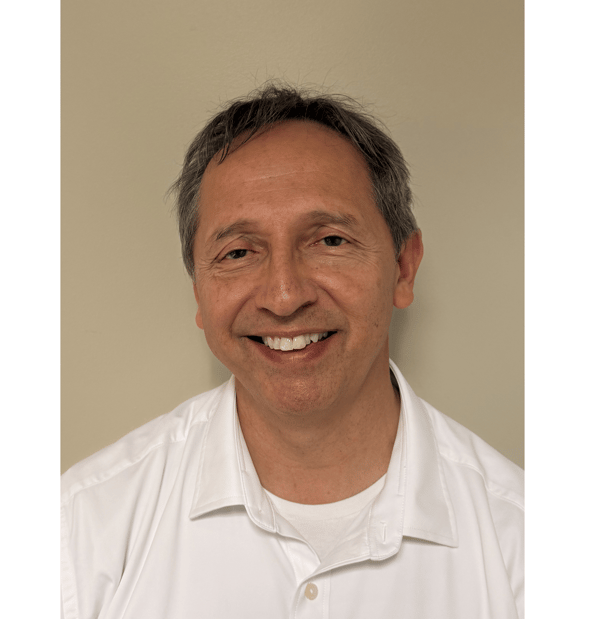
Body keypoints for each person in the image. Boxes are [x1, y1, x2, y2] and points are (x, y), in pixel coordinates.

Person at [61, 84, 524, 619]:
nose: (284, 297)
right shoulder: (81, 528)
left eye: (329, 241)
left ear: (403, 268)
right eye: (239, 252)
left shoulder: (524, 540)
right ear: (199, 293)